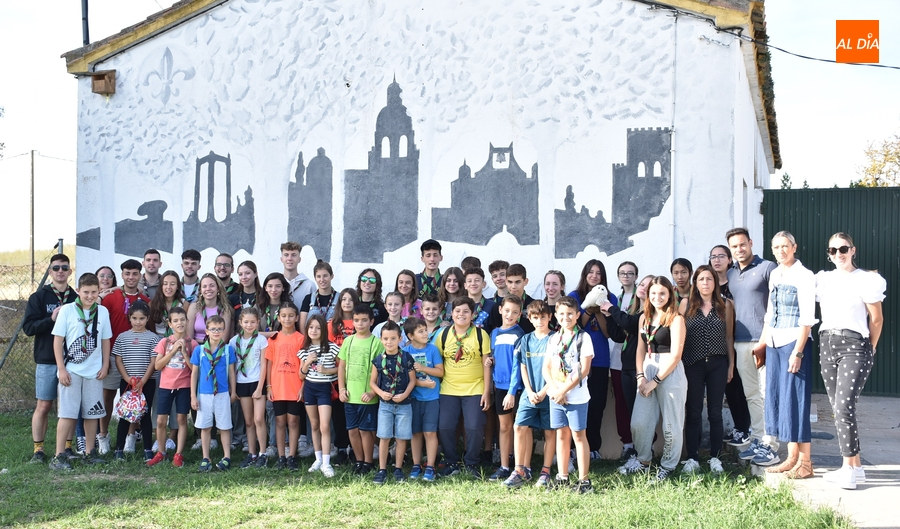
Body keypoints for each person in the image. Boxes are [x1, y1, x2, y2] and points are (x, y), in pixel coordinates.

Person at [816, 232, 885, 490]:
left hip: (854, 345)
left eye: (843, 248)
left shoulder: (867, 280)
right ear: (829, 254)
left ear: (853, 250)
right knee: (839, 408)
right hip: (827, 343)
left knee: (844, 406)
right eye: (833, 250)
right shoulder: (823, 280)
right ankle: (856, 467)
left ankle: (847, 470)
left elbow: (876, 319)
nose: (838, 254)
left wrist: (870, 349)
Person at [757, 231, 817, 478]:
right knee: (781, 399)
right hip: (774, 342)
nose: (781, 250)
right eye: (777, 247)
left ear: (794, 247)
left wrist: (798, 352)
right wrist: (762, 343)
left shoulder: (804, 275)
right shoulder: (774, 273)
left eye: (785, 246)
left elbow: (807, 318)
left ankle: (805, 463)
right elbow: (770, 313)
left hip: (794, 342)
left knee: (797, 399)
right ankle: (791, 457)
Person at [619, 276, 687, 482]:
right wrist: (641, 377)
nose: (658, 297)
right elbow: (640, 349)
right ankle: (643, 461)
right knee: (639, 422)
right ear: (648, 295)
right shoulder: (644, 318)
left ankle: (668, 465)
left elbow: (676, 355)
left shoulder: (676, 319)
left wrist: (654, 382)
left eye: (662, 293)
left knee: (671, 424)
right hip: (647, 367)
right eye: (654, 293)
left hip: (669, 371)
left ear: (670, 295)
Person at [726, 227, 780, 466]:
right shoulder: (730, 274)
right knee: (751, 395)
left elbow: (778, 304)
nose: (739, 249)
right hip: (740, 342)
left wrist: (767, 339)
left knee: (767, 393)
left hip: (764, 341)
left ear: (750, 243)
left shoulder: (768, 268)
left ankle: (771, 444)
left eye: (742, 244)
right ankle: (758, 439)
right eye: (734, 246)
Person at [48, 273, 113, 470]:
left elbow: (105, 340)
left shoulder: (102, 312)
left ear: (99, 291)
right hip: (71, 370)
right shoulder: (67, 310)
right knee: (68, 414)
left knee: (92, 414)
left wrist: (104, 365)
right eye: (86, 292)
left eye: (94, 292)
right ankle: (58, 456)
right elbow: (58, 341)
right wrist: (61, 369)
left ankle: (89, 452)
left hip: (94, 372)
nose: (90, 296)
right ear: (78, 291)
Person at [678, 265, 735, 474]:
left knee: (715, 412)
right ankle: (692, 456)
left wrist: (731, 364)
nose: (705, 283)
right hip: (692, 364)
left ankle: (715, 457)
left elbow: (729, 337)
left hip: (718, 364)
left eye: (709, 279)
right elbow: (678, 336)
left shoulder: (725, 305)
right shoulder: (686, 305)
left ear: (715, 282)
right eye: (701, 279)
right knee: (693, 412)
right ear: (696, 282)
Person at [24, 254, 77, 464]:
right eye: (56, 268)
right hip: (47, 359)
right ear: (50, 271)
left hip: (72, 361)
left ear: (70, 271)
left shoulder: (75, 297)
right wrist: (51, 319)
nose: (60, 271)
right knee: (44, 406)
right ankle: (38, 449)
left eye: (64, 267)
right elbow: (29, 328)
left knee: (69, 407)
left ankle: (67, 447)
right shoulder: (39, 297)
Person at [501, 300, 557, 489]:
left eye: (543, 317)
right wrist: (530, 391)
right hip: (529, 393)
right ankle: (519, 470)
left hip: (550, 393)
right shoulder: (525, 339)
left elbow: (558, 370)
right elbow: (522, 367)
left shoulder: (556, 339)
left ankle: (546, 471)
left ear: (550, 317)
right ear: (529, 318)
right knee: (519, 427)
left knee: (550, 432)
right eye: (535, 317)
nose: (539, 321)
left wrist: (543, 391)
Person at [543, 296, 594, 494]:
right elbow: (546, 368)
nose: (566, 317)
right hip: (556, 396)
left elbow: (584, 369)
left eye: (570, 314)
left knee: (578, 436)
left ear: (577, 315)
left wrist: (564, 391)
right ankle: (562, 476)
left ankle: (584, 481)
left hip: (576, 396)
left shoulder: (583, 338)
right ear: (556, 316)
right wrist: (555, 390)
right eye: (562, 314)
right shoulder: (554, 338)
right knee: (561, 436)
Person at [436, 297, 492, 479]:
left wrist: (486, 392)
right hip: (448, 389)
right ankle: (451, 462)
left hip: (475, 388)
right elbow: (437, 361)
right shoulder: (443, 335)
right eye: (457, 311)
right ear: (451, 313)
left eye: (466, 311)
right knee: (444, 426)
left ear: (472, 314)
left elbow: (486, 364)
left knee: (474, 427)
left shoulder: (480, 335)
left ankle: (471, 463)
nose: (461, 314)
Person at [100, 259, 150, 454]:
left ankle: (131, 436)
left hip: (136, 358)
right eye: (127, 273)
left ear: (140, 275)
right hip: (113, 355)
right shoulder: (110, 297)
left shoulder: (145, 302)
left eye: (135, 273)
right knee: (108, 396)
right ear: (122, 274)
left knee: (133, 397)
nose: (131, 277)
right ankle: (103, 435)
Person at [568, 259, 617, 461]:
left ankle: (594, 447)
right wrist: (588, 310)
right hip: (576, 360)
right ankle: (572, 448)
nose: (594, 276)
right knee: (575, 404)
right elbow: (575, 327)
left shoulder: (610, 297)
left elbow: (608, 334)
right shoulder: (574, 296)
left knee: (597, 405)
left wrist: (602, 311)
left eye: (598, 273)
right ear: (585, 274)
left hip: (600, 360)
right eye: (591, 272)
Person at [601, 273, 651, 462]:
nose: (643, 287)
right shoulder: (633, 310)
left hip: (642, 368)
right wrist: (609, 316)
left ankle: (645, 452)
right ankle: (636, 452)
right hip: (626, 366)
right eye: (643, 284)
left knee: (642, 414)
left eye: (648, 286)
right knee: (631, 411)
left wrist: (612, 309)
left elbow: (629, 324)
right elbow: (619, 336)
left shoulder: (648, 312)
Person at [709, 245, 752, 448]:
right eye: (713, 257)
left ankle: (746, 427)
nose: (717, 260)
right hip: (719, 342)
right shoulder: (710, 284)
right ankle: (739, 426)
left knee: (742, 386)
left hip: (740, 337)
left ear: (729, 259)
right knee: (729, 386)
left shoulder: (736, 282)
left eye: (721, 256)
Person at [147, 307, 198, 468]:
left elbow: (194, 369)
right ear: (170, 324)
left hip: (184, 386)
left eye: (182, 320)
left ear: (187, 321)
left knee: (181, 419)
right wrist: (174, 349)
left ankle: (179, 453)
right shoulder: (164, 342)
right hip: (166, 386)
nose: (180, 323)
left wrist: (184, 353)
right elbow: (157, 365)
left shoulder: (193, 343)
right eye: (175, 320)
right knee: (161, 420)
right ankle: (161, 452)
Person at [338, 304, 385, 475]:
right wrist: (342, 389)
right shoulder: (348, 341)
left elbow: (381, 371)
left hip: (367, 397)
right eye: (357, 320)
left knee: (366, 431)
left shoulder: (377, 343)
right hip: (350, 396)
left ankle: (368, 461)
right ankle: (358, 461)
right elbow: (341, 367)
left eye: (364, 320)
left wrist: (373, 392)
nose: (360, 323)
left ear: (371, 321)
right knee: (352, 430)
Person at [112, 301, 160, 462]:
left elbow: (154, 362)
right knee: (125, 415)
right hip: (127, 383)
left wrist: (142, 382)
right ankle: (119, 449)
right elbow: (118, 360)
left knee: (145, 415)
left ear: (147, 319)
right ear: (129, 318)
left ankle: (147, 449)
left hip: (147, 382)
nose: (138, 322)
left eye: (141, 318)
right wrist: (127, 379)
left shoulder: (153, 338)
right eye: (134, 318)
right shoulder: (122, 337)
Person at [369, 321, 417, 484]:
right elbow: (372, 382)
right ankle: (382, 469)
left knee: (401, 438)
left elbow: (412, 380)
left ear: (400, 339)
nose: (389, 342)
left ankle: (398, 469)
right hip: (385, 405)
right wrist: (381, 393)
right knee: (384, 437)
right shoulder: (378, 360)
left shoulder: (406, 357)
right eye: (386, 339)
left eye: (393, 338)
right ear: (381, 339)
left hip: (404, 405)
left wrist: (404, 395)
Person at [190, 314, 237, 472]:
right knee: (205, 427)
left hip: (222, 393)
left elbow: (231, 373)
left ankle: (227, 456)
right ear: (207, 331)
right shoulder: (200, 350)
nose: (216, 331)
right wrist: (193, 396)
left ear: (224, 330)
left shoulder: (228, 350)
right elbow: (194, 374)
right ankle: (206, 457)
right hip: (204, 394)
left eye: (219, 329)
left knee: (224, 426)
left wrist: (233, 392)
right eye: (213, 329)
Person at [486, 294, 525, 482]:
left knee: (520, 426)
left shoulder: (519, 334)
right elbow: (496, 356)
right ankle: (504, 466)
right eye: (507, 310)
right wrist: (490, 361)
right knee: (504, 427)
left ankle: (521, 466)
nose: (510, 315)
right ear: (500, 310)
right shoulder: (494, 333)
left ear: (520, 315)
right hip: (499, 387)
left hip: (515, 388)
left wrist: (512, 390)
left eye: (515, 312)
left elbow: (518, 365)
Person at [298, 314, 341, 477]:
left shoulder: (332, 347)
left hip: (324, 389)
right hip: (310, 388)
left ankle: (327, 462)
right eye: (311, 327)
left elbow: (342, 368)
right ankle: (317, 459)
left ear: (323, 330)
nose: (314, 330)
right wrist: (308, 362)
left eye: (317, 327)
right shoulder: (304, 350)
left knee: (324, 426)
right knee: (314, 425)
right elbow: (301, 375)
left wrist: (328, 370)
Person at [402, 317, 444, 482]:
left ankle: (430, 465)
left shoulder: (432, 350)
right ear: (411, 336)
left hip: (432, 398)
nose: (425, 333)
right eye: (421, 331)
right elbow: (405, 378)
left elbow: (440, 372)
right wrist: (421, 383)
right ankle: (416, 464)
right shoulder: (406, 353)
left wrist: (423, 368)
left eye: (425, 330)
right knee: (416, 433)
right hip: (413, 399)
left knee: (430, 432)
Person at [265, 302, 306, 470]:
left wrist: (302, 387)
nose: (287, 319)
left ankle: (292, 456)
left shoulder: (301, 339)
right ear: (279, 317)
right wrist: (269, 386)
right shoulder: (273, 339)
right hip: (278, 387)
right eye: (283, 315)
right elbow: (269, 364)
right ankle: (281, 456)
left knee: (293, 421)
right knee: (280, 421)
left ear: (296, 318)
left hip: (295, 386)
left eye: (291, 315)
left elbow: (304, 365)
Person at [228, 307, 269, 468]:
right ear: (240, 323)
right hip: (241, 383)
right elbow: (231, 367)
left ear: (258, 322)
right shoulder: (233, 341)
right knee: (249, 421)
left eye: (253, 322)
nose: (249, 325)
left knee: (259, 418)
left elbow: (264, 365)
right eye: (246, 322)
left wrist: (260, 387)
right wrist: (233, 388)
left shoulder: (261, 340)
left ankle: (263, 453)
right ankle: (252, 454)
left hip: (257, 382)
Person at [487, 263, 535, 334]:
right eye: (510, 282)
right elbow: (495, 335)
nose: (513, 286)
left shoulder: (533, 305)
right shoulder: (498, 307)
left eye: (517, 282)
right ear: (506, 282)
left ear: (525, 281)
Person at [186, 273, 234, 344]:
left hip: (218, 348)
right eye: (204, 286)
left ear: (218, 289)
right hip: (196, 347)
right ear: (201, 290)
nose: (208, 289)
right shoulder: (194, 307)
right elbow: (189, 337)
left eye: (212, 286)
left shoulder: (225, 310)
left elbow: (224, 339)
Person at [300, 260, 339, 331]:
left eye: (325, 276)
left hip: (333, 341)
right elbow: (302, 327)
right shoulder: (308, 299)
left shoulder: (339, 298)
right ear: (315, 278)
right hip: (312, 340)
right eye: (318, 276)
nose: (322, 279)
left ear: (332, 276)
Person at [281, 241, 316, 308]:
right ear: (281, 259)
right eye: (286, 255)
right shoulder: (276, 284)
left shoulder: (309, 286)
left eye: (293, 255)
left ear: (299, 259)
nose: (289, 258)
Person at [257, 272, 290, 338]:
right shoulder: (258, 307)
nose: (274, 290)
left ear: (283, 288)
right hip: (260, 346)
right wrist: (275, 333)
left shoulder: (289, 308)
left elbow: (290, 333)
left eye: (278, 286)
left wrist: (263, 334)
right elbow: (250, 333)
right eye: (270, 286)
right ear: (265, 288)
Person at [229, 260, 261, 325]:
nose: (244, 277)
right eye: (240, 274)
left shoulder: (263, 296)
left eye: (247, 273)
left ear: (255, 274)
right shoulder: (233, 298)